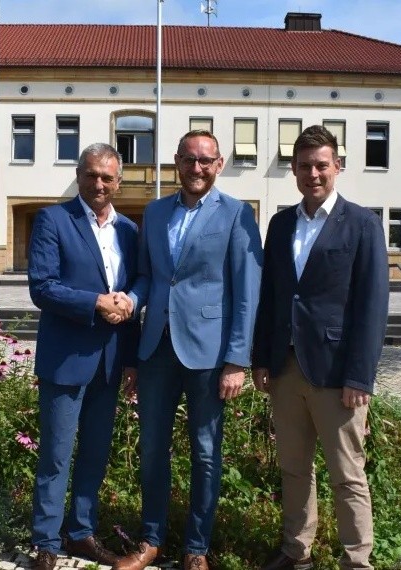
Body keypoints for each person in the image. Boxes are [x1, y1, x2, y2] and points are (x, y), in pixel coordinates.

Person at [114, 130, 263, 570]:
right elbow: (147, 276)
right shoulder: (155, 212)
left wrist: (237, 359)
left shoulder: (237, 214)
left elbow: (246, 292)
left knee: (205, 451)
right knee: (152, 448)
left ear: (218, 165)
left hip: (210, 354)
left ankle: (196, 548)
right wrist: (134, 337)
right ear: (176, 162)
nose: (196, 169)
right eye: (188, 160)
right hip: (156, 348)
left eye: (205, 161)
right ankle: (151, 541)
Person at [252, 125, 389, 570]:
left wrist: (358, 376)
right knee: (294, 469)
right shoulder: (281, 223)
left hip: (335, 375)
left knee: (347, 474)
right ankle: (297, 551)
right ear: (293, 170)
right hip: (286, 369)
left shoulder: (363, 224)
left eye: (322, 165)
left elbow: (372, 307)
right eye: (305, 165)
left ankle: (357, 561)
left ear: (338, 168)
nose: (314, 173)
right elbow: (271, 296)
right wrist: (261, 359)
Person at [27, 143, 140, 570]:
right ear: (79, 174)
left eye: (107, 177)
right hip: (66, 358)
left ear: (118, 182)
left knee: (94, 452)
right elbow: (42, 286)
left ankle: (81, 534)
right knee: (56, 453)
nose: (99, 184)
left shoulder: (129, 230)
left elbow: (133, 295)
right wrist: (94, 302)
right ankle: (46, 541)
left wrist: (130, 360)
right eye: (91, 175)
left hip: (110, 362)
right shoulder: (54, 220)